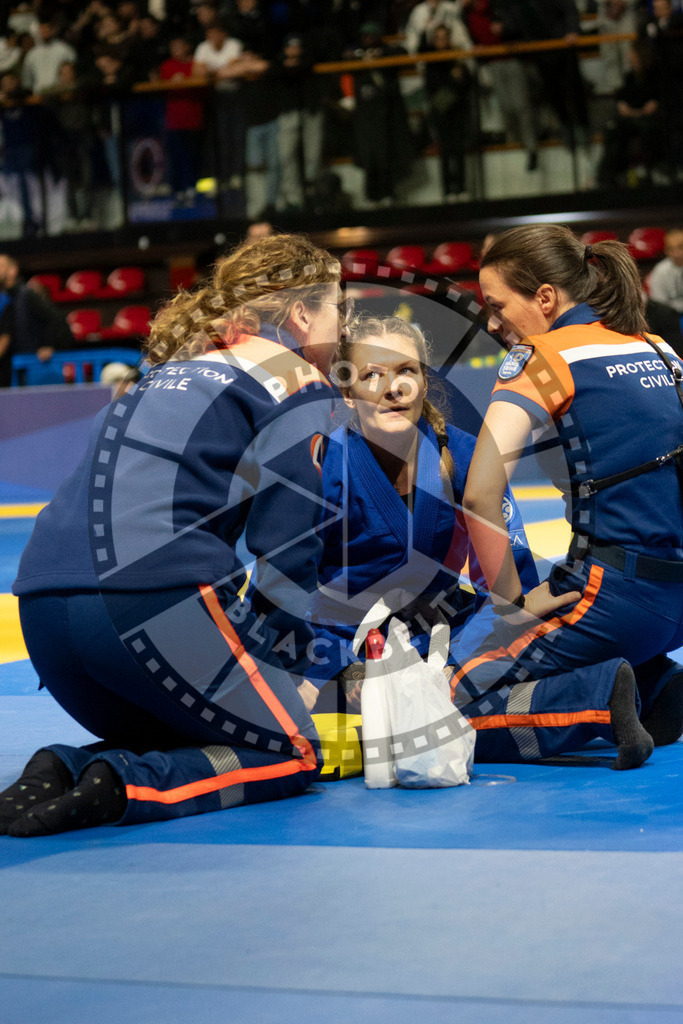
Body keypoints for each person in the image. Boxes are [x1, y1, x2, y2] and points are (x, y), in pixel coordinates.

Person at [1, 232, 346, 837]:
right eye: (338, 307)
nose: (343, 325)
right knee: (294, 749)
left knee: (189, 728)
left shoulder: (168, 369)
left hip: (45, 619)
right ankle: (118, 785)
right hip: (148, 604)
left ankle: (61, 764)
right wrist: (283, 667)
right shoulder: (294, 380)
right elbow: (289, 548)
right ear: (300, 313)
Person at [458, 225, 683, 768]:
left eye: (497, 305)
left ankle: (600, 699)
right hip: (675, 604)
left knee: (435, 704)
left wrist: (511, 606)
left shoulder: (541, 356)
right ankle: (654, 683)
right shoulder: (658, 347)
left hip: (613, 596)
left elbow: (481, 494)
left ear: (544, 298)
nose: (492, 322)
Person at [305, 314, 539, 714]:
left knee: (540, 640)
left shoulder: (466, 457)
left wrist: (459, 662)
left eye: (406, 371)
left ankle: (638, 683)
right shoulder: (324, 465)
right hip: (343, 646)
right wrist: (343, 669)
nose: (393, 388)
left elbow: (506, 589)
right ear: (348, 392)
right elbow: (284, 589)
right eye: (372, 375)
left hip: (446, 637)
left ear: (424, 382)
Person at [0, 253, 73, 387]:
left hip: (37, 366)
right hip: (15, 368)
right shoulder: (4, 298)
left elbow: (54, 318)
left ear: (12, 270)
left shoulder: (27, 295)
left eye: (1, 266)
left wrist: (48, 345)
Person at [648, 227, 683, 313]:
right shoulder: (660, 271)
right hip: (671, 318)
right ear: (666, 251)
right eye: (671, 249)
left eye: (680, 247)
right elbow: (659, 305)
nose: (676, 253)